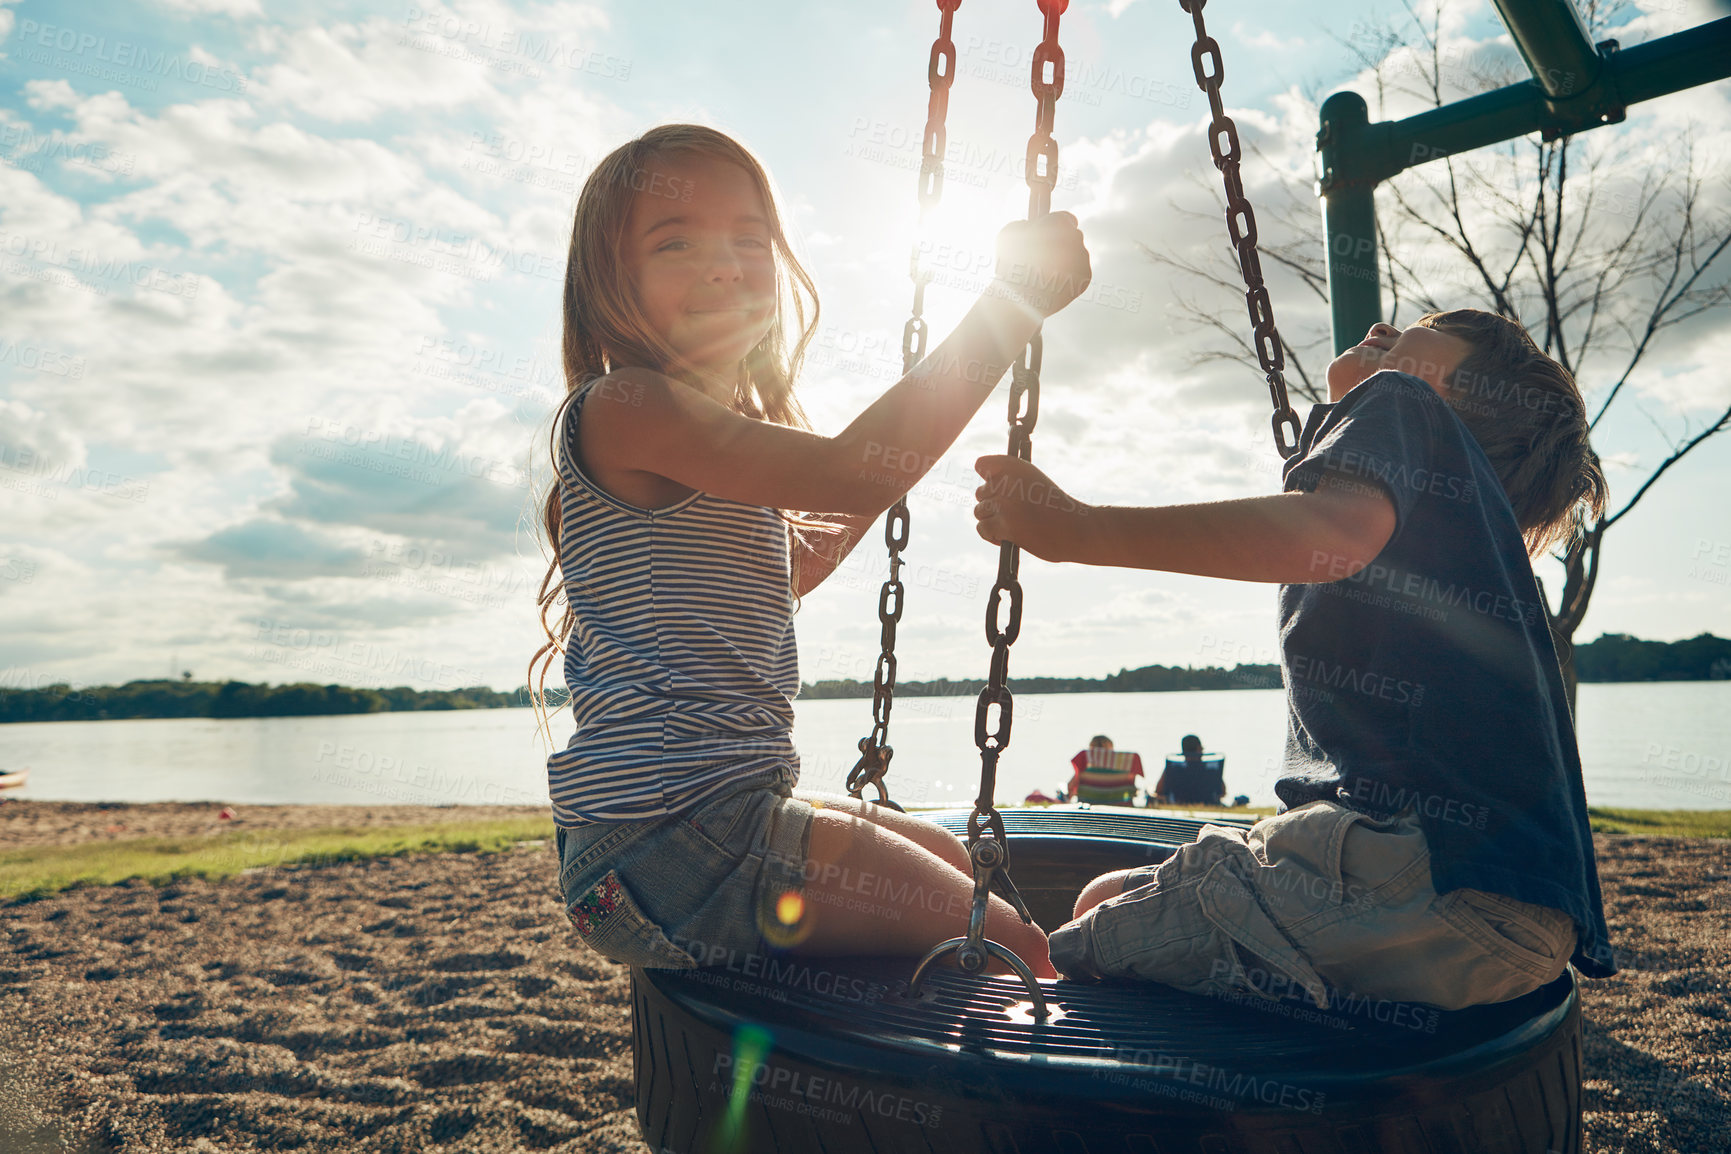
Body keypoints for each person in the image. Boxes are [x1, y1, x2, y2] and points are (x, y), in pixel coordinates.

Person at [534, 125, 1092, 982]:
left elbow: (792, 568)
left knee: (957, 859)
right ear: (610, 282)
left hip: (688, 832)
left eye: (746, 239)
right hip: (673, 840)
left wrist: (874, 486)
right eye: (675, 242)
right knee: (1007, 943)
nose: (723, 263)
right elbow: (847, 473)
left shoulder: (691, 436)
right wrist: (1009, 305)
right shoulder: (626, 404)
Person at [972, 310, 1616, 1011]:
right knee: (1108, 897)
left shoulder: (1404, 400)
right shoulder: (1461, 530)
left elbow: (1329, 536)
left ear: (1459, 393)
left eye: (1424, 326)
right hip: (1521, 925)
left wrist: (1077, 528)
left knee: (1062, 963)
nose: (1381, 325)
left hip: (1416, 876)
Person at [1067, 735, 1144, 805]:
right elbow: (1131, 789)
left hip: (1088, 806)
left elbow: (1070, 787)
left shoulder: (1084, 762)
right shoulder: (1125, 762)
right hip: (1120, 807)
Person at [1152, 734, 1226, 806]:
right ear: (1199, 749)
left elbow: (1159, 790)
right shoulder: (1210, 771)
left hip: (1179, 803)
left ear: (1183, 752)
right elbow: (1222, 792)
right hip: (1208, 803)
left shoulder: (1173, 769)